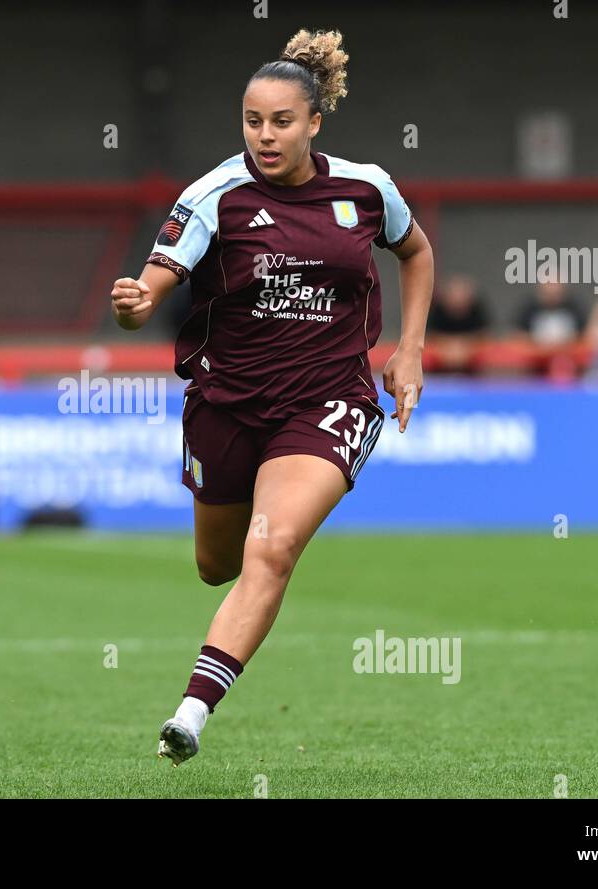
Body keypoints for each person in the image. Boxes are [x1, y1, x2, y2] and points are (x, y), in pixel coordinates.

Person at [109, 28, 433, 765]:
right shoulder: (215, 194)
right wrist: (136, 302)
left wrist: (409, 349)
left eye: (282, 121)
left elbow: (416, 250)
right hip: (228, 404)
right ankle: (236, 600)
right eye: (253, 121)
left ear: (315, 122)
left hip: (328, 399)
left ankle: (192, 711)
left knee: (274, 545)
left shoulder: (365, 188)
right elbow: (157, 274)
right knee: (217, 564)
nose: (265, 135)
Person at [427, 274, 490, 375]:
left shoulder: (477, 310)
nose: (458, 299)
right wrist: (448, 347)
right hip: (441, 358)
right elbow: (429, 336)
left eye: (461, 294)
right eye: (455, 294)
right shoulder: (437, 310)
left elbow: (484, 335)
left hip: (472, 363)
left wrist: (465, 348)